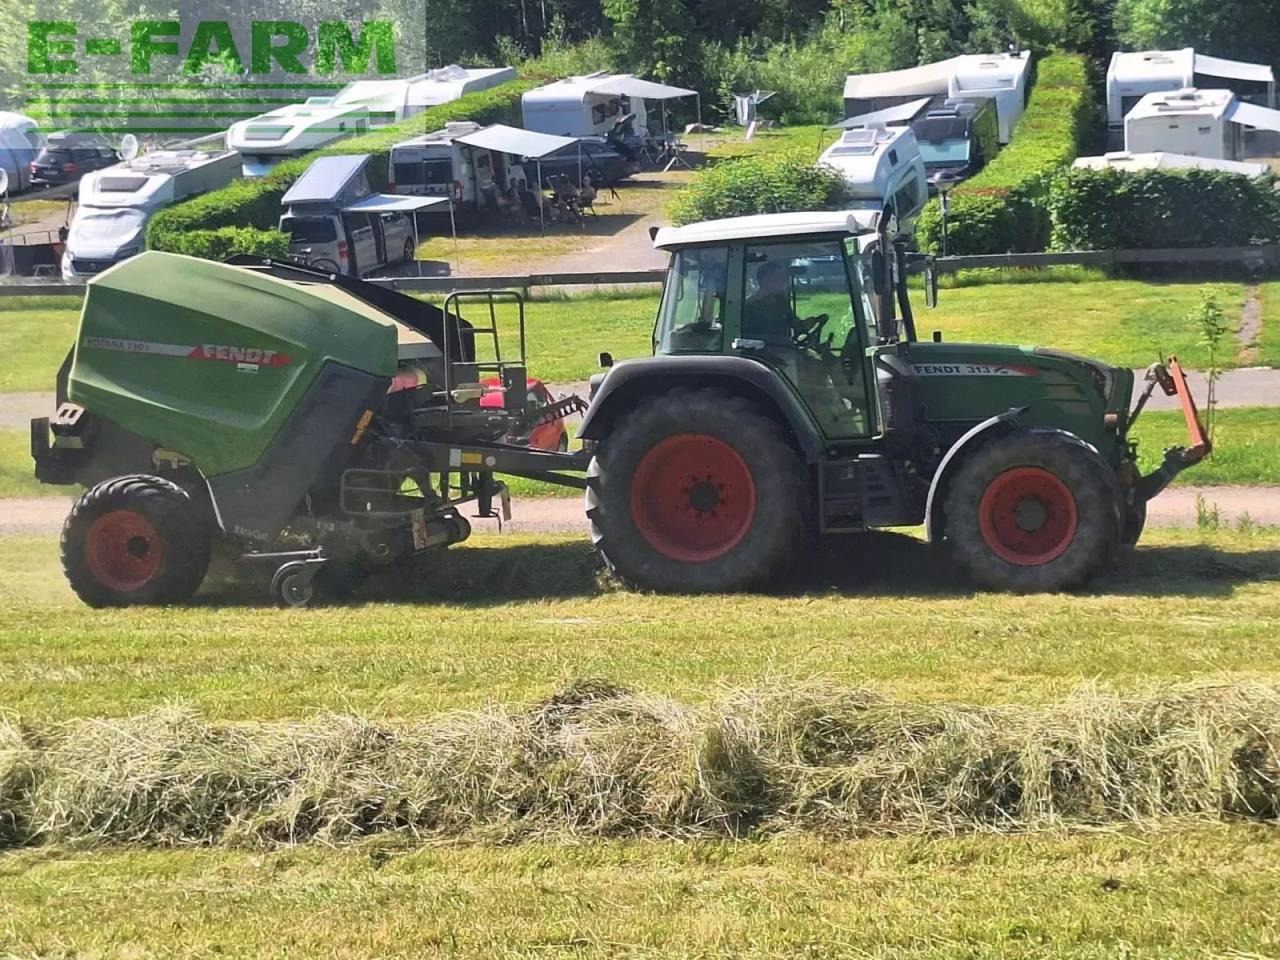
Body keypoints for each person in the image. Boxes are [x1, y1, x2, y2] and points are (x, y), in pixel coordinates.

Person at [741, 261, 798, 343]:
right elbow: (746, 337)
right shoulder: (750, 306)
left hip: (781, 347)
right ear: (766, 281)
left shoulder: (781, 302)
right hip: (761, 352)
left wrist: (811, 322)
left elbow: (795, 324)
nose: (783, 282)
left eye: (782, 278)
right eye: (778, 278)